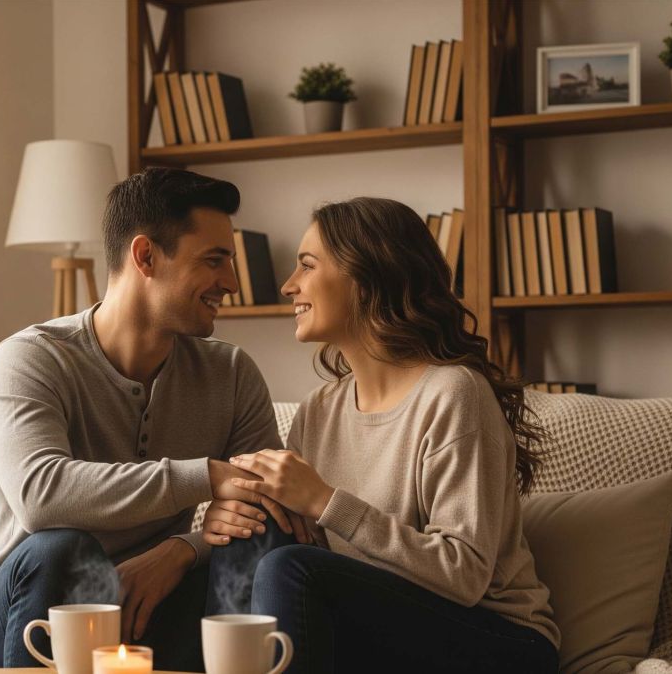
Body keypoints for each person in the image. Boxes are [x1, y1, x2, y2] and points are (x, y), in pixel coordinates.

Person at [0, 167, 307, 671]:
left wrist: (182, 549)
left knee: (262, 535)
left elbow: (266, 505)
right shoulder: (30, 357)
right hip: (29, 603)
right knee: (60, 547)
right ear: (145, 256)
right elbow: (41, 497)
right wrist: (208, 475)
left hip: (150, 603)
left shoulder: (230, 371)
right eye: (215, 261)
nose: (230, 283)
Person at [204, 197, 561, 673]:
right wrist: (226, 520)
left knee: (288, 568)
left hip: (500, 640)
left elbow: (465, 575)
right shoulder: (320, 410)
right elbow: (293, 543)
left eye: (307, 266)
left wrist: (326, 502)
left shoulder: (453, 394)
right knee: (254, 532)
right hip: (383, 622)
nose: (290, 286)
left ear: (366, 276)